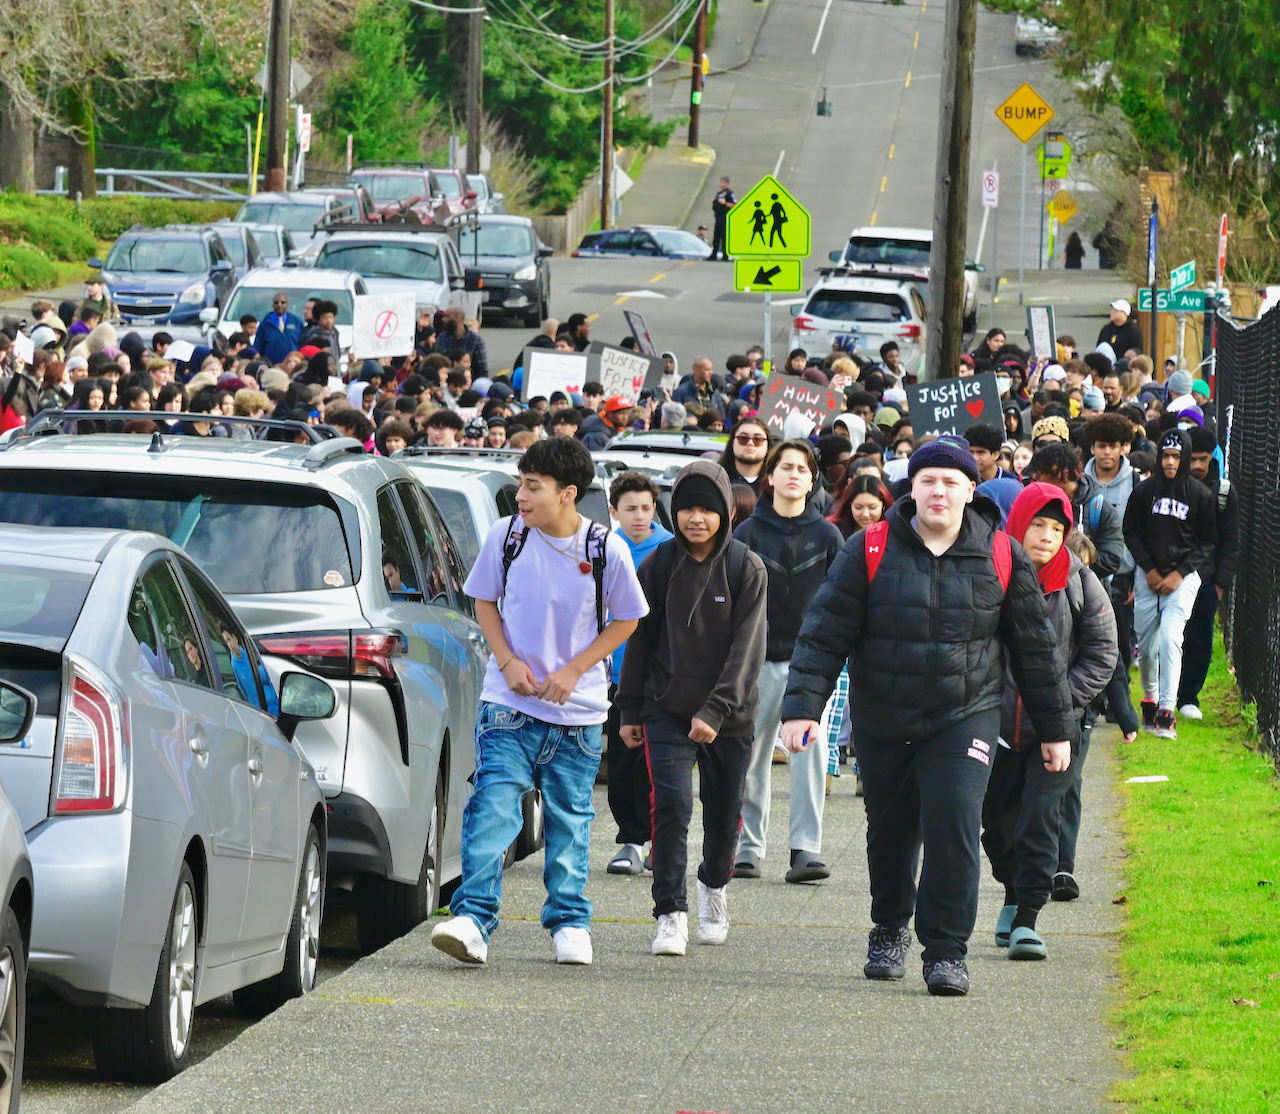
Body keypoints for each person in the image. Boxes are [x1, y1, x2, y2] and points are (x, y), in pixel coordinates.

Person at [779, 435, 1073, 996]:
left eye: (950, 482)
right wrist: (802, 709)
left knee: (954, 828)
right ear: (910, 489)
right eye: (928, 481)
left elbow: (1036, 651)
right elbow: (823, 633)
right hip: (883, 718)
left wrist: (1055, 731)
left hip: (965, 717)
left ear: (970, 490)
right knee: (891, 833)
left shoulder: (1002, 554)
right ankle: (889, 928)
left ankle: (946, 951)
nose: (939, 491)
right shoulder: (868, 548)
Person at [431, 438, 648, 967]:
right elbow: (484, 601)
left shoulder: (604, 549)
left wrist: (575, 670)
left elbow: (628, 618)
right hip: (508, 702)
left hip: (579, 714)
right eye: (521, 484)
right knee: (492, 806)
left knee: (570, 819)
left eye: (533, 487)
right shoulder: (505, 537)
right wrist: (506, 660)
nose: (521, 497)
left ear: (568, 493)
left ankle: (570, 921)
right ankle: (473, 919)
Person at [617, 461, 767, 956]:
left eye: (706, 509)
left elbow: (748, 650)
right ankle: (669, 912)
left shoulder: (747, 567)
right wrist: (630, 711)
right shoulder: (657, 566)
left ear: (725, 512)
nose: (696, 519)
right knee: (673, 807)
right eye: (686, 509)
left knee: (724, 816)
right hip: (667, 708)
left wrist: (717, 711)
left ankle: (714, 888)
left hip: (730, 714)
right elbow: (638, 641)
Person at [982, 483, 1116, 960]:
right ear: (1018, 523)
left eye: (1057, 528)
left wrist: (1059, 707)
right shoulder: (989, 570)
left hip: (1057, 732)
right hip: (992, 728)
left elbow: (1102, 655)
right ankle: (1013, 890)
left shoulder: (1080, 582)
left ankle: (1027, 918)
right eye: (1038, 524)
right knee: (994, 823)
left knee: (1040, 821)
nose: (1046, 536)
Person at [732, 441, 844, 883]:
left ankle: (805, 850)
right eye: (786, 467)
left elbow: (841, 604)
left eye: (803, 468)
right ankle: (748, 847)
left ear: (813, 478)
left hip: (813, 667)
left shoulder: (829, 536)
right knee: (751, 756)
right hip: (755, 663)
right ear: (770, 477)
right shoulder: (746, 535)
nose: (795, 474)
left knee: (810, 757)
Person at [1122, 429, 1218, 739]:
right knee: (1147, 650)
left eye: (1177, 457)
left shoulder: (1201, 495)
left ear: (1186, 458)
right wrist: (1148, 569)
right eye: (1166, 455)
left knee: (1171, 639)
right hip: (1147, 576)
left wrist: (1180, 573)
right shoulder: (1143, 491)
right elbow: (1131, 531)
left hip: (1184, 577)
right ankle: (1150, 699)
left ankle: (1167, 710)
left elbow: (1207, 541)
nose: (1171, 462)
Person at [604, 473, 674, 875]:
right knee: (622, 760)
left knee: (659, 761)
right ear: (613, 511)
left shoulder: (668, 547)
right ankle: (630, 839)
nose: (639, 516)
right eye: (630, 508)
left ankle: (657, 839)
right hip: (612, 672)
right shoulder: (602, 547)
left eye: (647, 507)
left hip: (658, 673)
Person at [1176, 427, 1238, 720]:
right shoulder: (1169, 486)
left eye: (1203, 459)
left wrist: (1220, 584)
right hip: (1171, 575)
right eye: (1193, 459)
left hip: (1206, 579)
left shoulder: (1224, 492)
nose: (1198, 466)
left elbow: (1231, 540)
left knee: (1199, 638)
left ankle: (1188, 696)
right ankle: (1166, 694)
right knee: (1169, 637)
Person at [435, 307, 489, 378]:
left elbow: (482, 370)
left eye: (446, 316)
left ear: (457, 318)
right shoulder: (442, 337)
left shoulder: (476, 340)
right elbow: (436, 363)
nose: (443, 319)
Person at [718, 418, 770, 490]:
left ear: (768, 445)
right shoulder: (717, 479)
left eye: (757, 439)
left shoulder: (776, 483)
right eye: (743, 438)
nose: (750, 443)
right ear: (732, 443)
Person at [257, 293, 303, 365]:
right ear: (272, 305)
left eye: (283, 302)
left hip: (293, 365)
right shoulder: (265, 323)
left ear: (287, 305)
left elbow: (302, 344)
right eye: (276, 302)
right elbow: (259, 346)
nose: (279, 305)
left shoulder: (297, 322)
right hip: (271, 364)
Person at [709, 177, 736, 261]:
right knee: (716, 237)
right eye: (721, 183)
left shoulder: (730, 193)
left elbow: (734, 205)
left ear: (728, 184)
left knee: (725, 237)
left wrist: (725, 203)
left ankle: (725, 255)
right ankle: (714, 255)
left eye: (724, 183)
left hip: (725, 218)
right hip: (718, 217)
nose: (722, 185)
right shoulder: (719, 193)